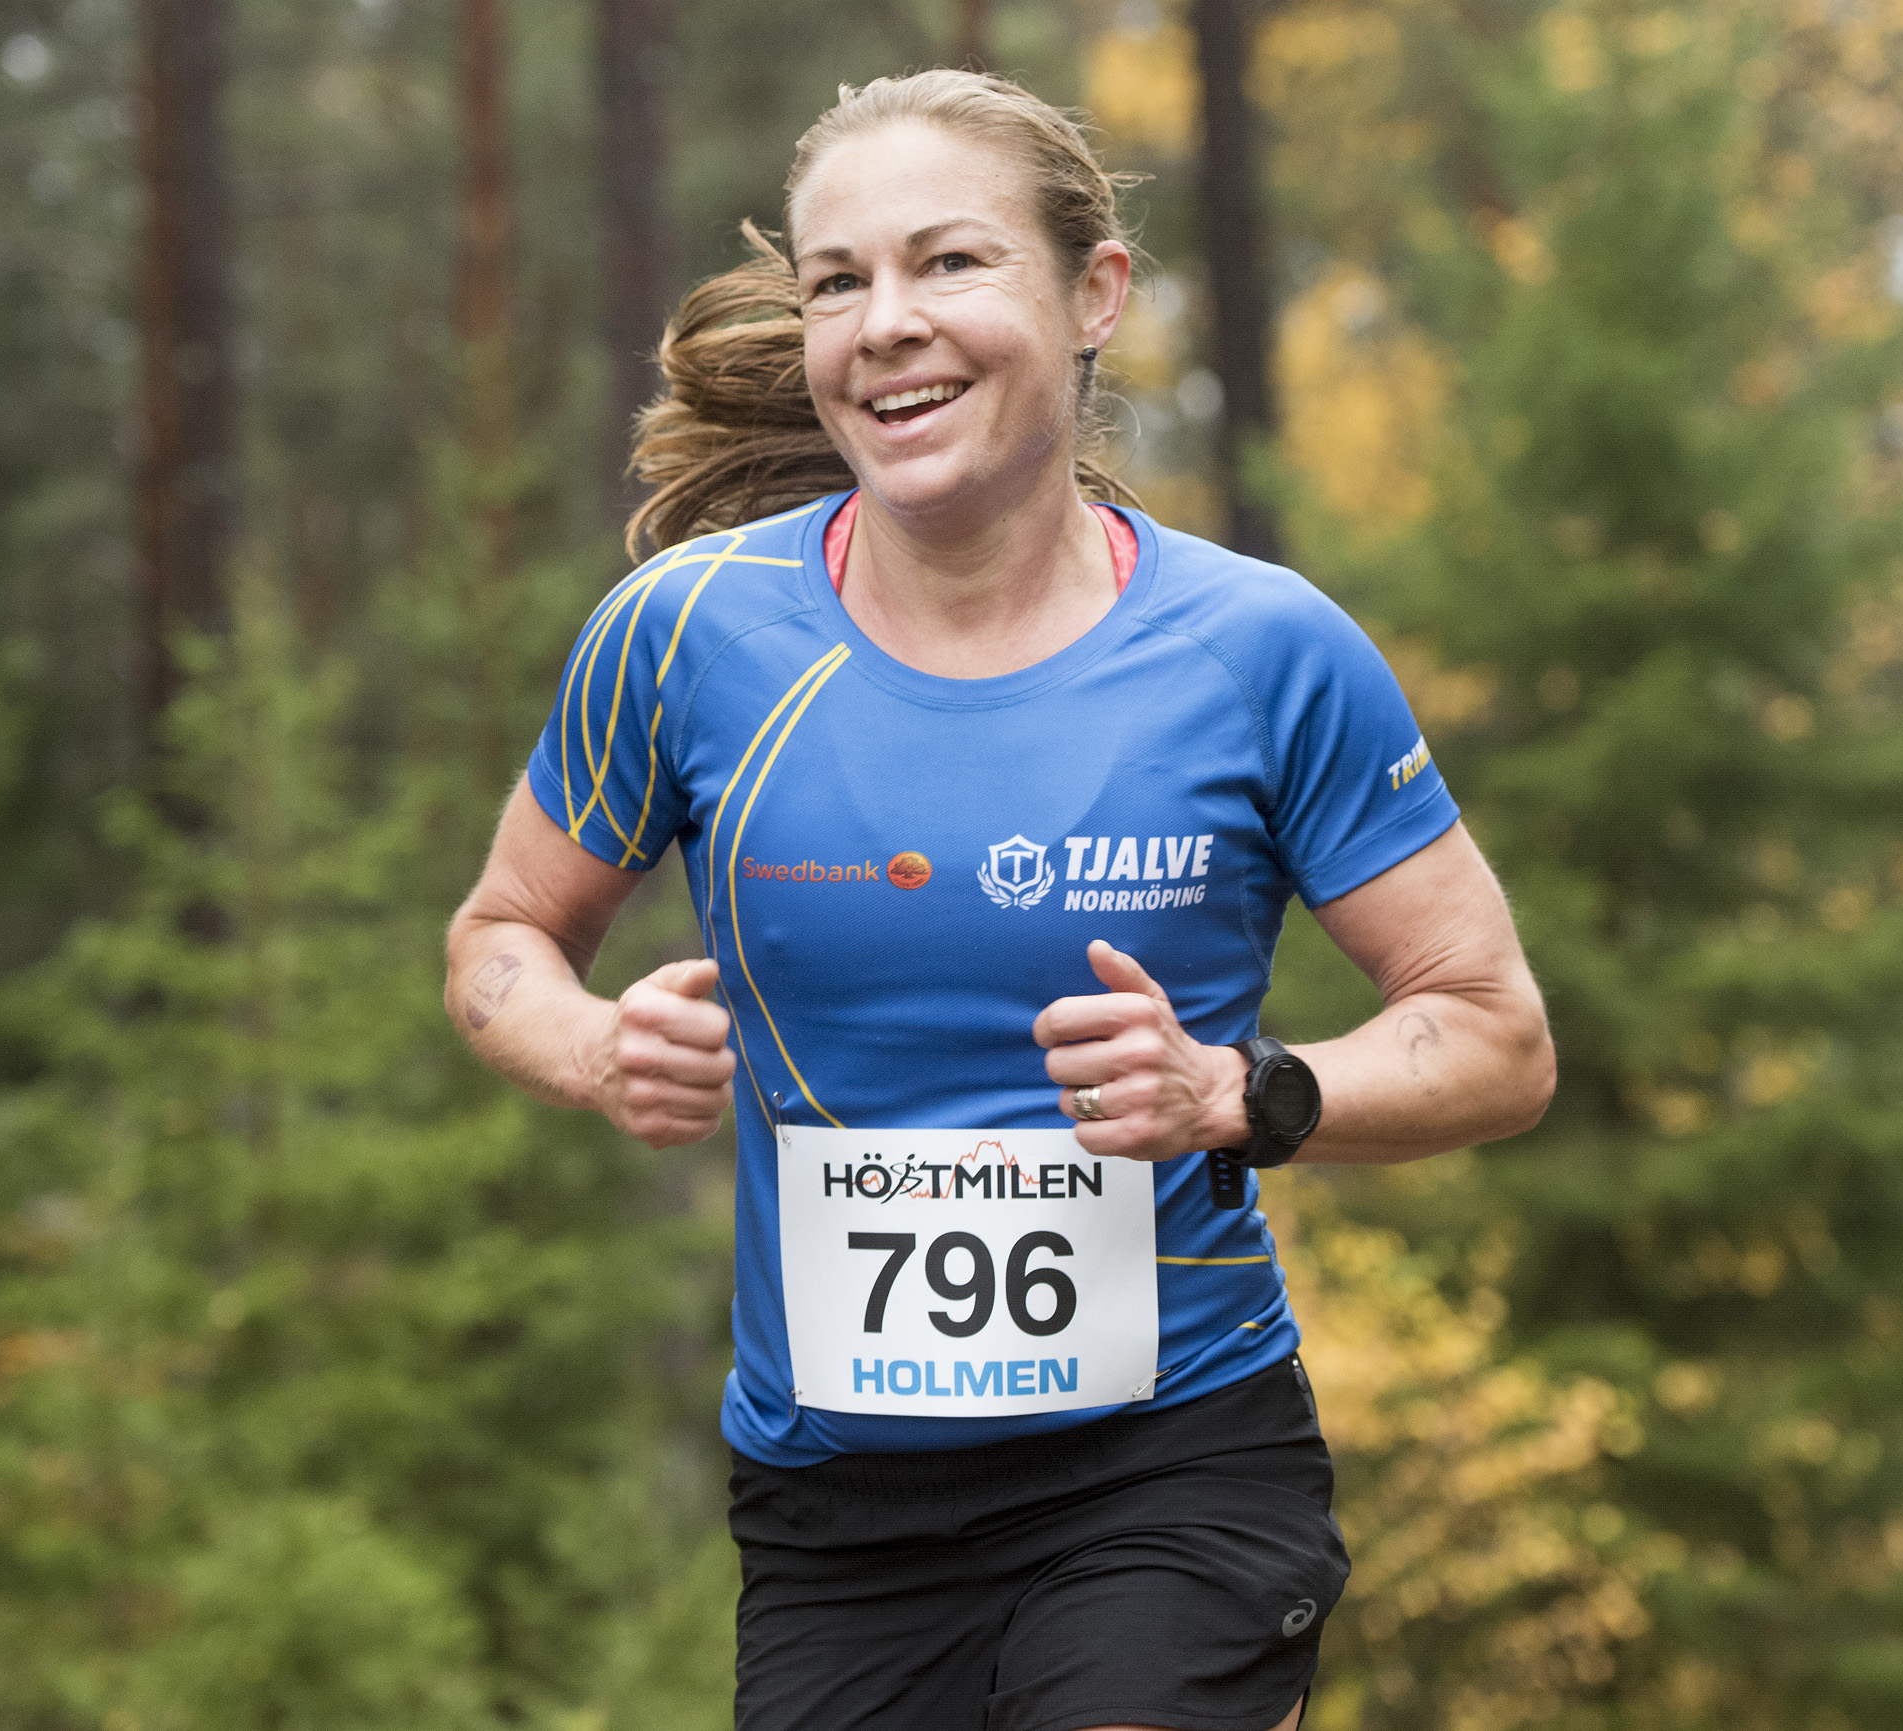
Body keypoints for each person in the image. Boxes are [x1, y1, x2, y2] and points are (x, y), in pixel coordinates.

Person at [445, 69, 1553, 1731]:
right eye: (839, 282)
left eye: (949, 262)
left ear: (1095, 293)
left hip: (1173, 1460)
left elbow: (1495, 1038)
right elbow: (500, 942)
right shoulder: (686, 638)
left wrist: (1233, 1094)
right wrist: (594, 1050)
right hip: (835, 1512)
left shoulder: (1261, 652)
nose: (885, 322)